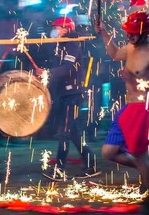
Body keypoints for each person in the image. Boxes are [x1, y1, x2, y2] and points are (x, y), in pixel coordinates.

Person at [94, 11, 149, 189]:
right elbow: (114, 54)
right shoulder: (128, 48)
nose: (130, 35)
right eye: (128, 31)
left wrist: (136, 81)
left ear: (144, 32)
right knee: (108, 152)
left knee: (138, 154)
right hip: (129, 107)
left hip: (143, 109)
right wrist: (103, 32)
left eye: (134, 32)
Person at [35, 16, 97, 181]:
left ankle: (60, 169)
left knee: (64, 132)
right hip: (64, 94)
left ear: (66, 29)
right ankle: (91, 163)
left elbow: (67, 69)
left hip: (73, 95)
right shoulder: (58, 45)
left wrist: (48, 73)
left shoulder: (72, 46)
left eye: (57, 27)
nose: (54, 30)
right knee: (73, 133)